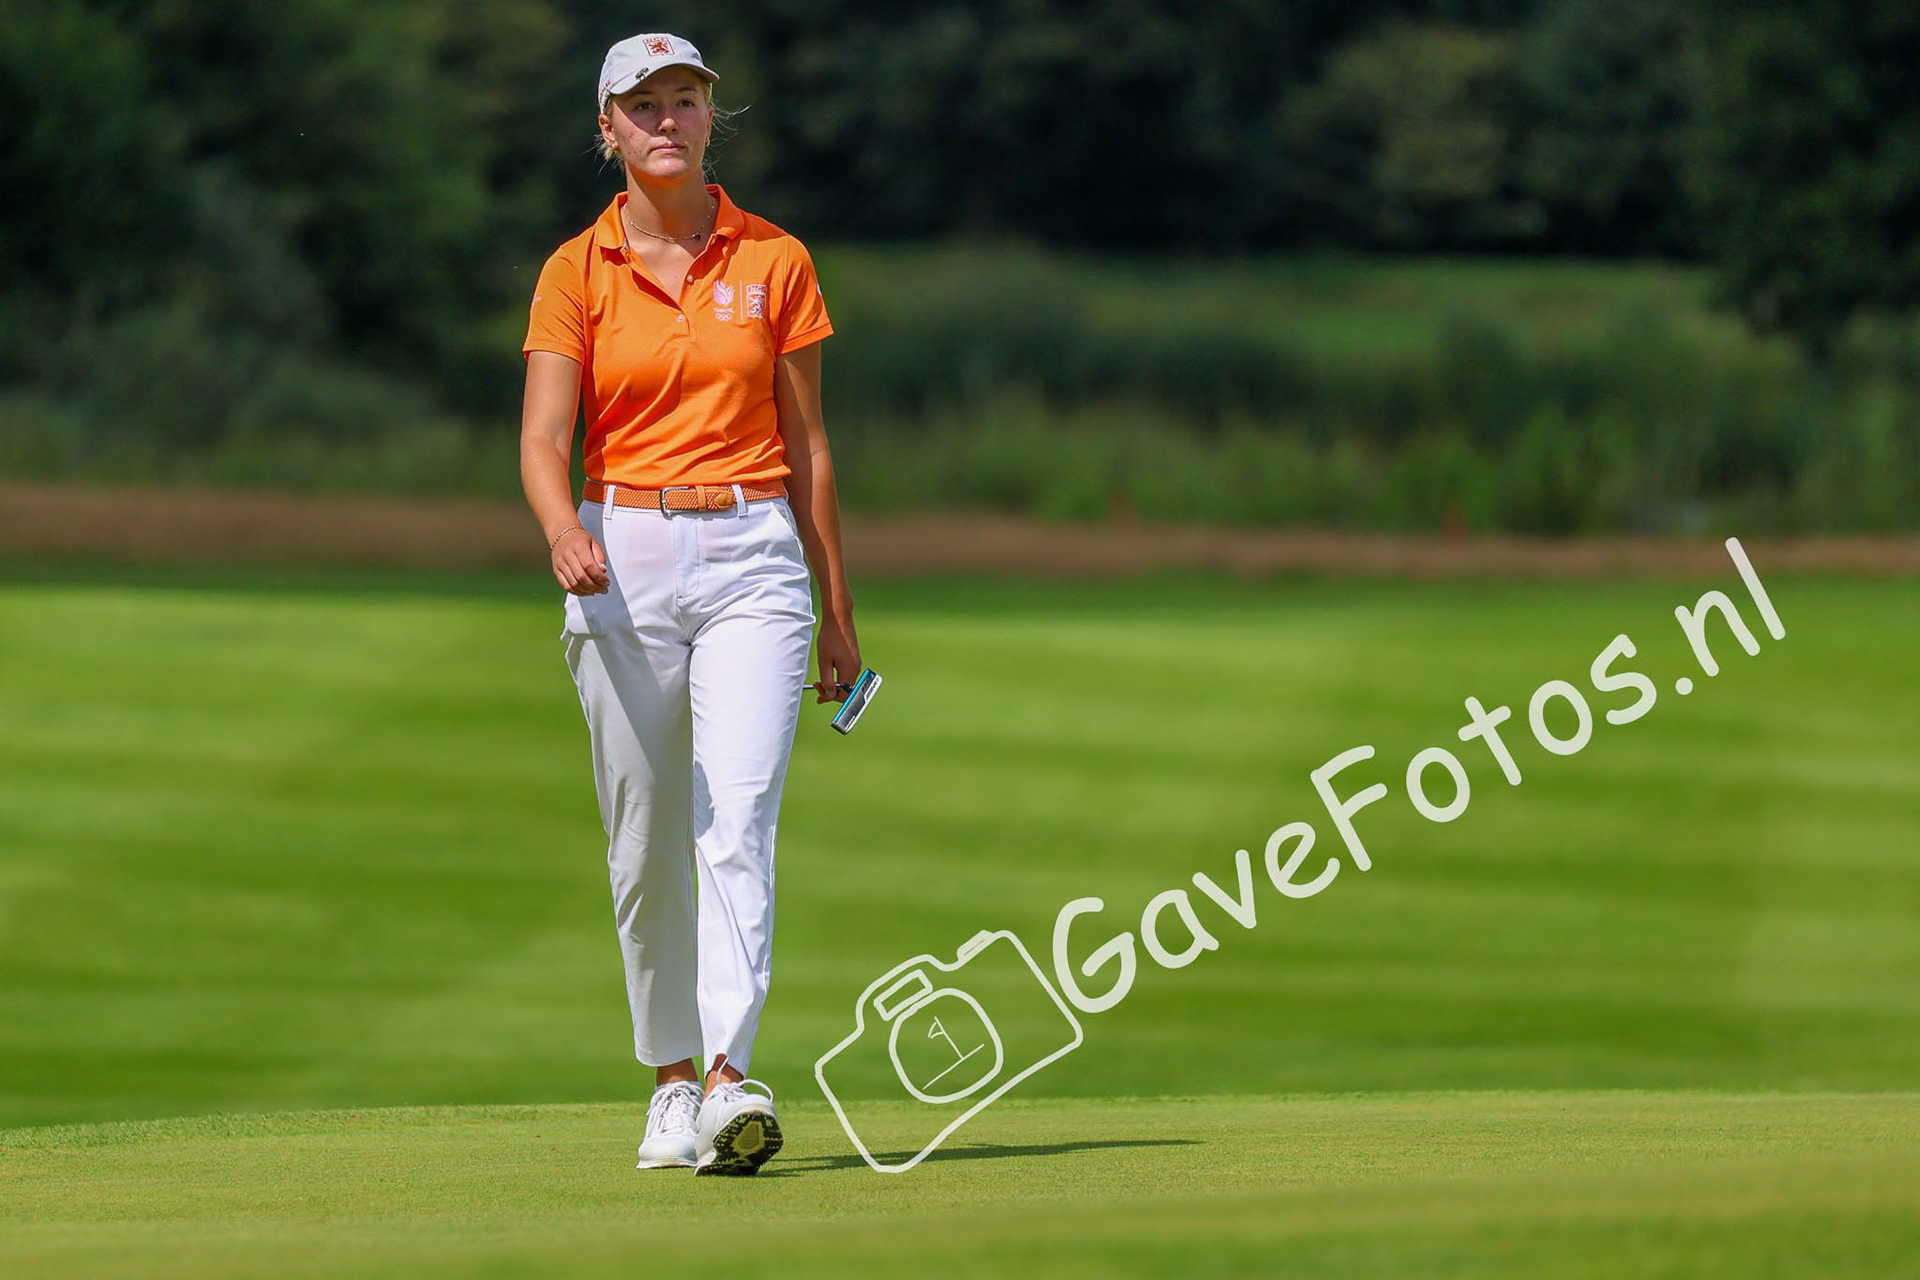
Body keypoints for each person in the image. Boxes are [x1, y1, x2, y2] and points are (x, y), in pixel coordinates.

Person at [518, 31, 860, 1177]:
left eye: (687, 101)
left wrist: (839, 608)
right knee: (644, 834)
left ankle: (727, 1076)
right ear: (606, 128)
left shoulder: (776, 258)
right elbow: (540, 438)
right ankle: (668, 1078)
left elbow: (809, 447)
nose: (668, 120)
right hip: (621, 548)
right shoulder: (578, 268)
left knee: (740, 811)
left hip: (755, 549)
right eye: (644, 105)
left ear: (713, 118)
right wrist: (563, 526)